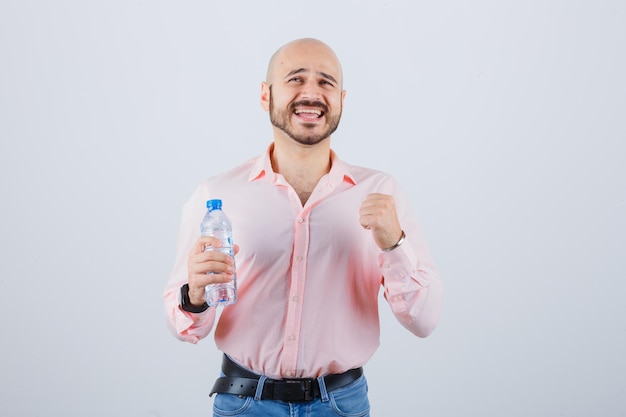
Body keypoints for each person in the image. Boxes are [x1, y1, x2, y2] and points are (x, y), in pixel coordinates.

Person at [163, 37, 443, 417]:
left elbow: (424, 320)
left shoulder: (381, 192)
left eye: (326, 82)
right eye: (296, 79)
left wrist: (395, 244)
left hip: (341, 404)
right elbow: (185, 328)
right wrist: (193, 295)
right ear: (266, 96)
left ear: (342, 99)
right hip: (245, 403)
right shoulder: (218, 194)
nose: (311, 93)